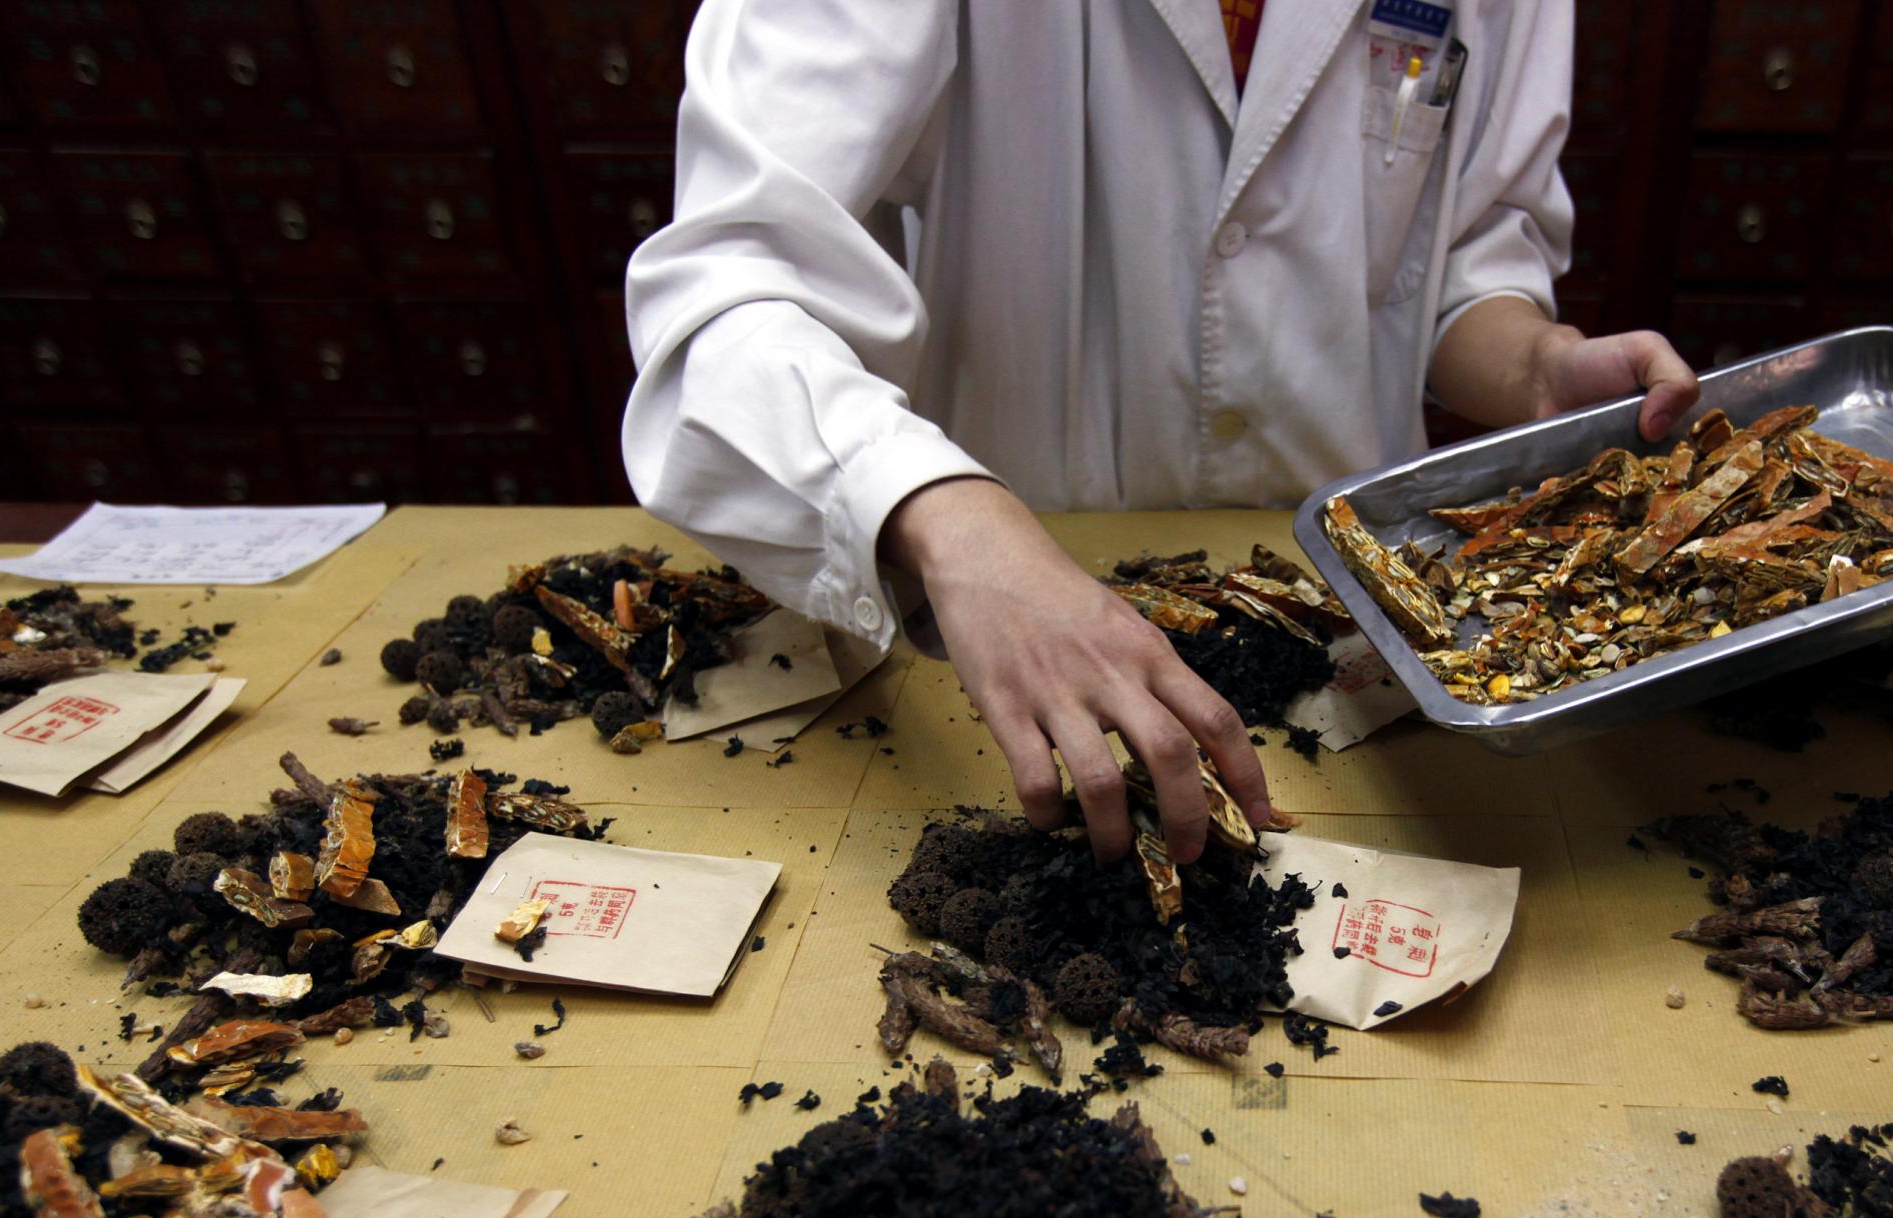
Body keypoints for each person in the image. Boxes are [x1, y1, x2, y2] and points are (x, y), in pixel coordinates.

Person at [623, 0, 1697, 863]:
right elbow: (723, 291)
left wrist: (1531, 366)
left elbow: (1463, 254)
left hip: (1337, 630)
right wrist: (945, 518)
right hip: (993, 604)